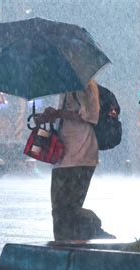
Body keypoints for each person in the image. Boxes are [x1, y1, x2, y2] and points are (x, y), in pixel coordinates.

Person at [35, 79, 115, 241]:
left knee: (69, 208)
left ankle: (93, 226)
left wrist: (59, 113)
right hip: (62, 154)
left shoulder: (87, 85)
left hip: (82, 153)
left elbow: (92, 116)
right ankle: (62, 244)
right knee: (58, 209)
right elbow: (65, 116)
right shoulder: (65, 87)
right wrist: (50, 116)